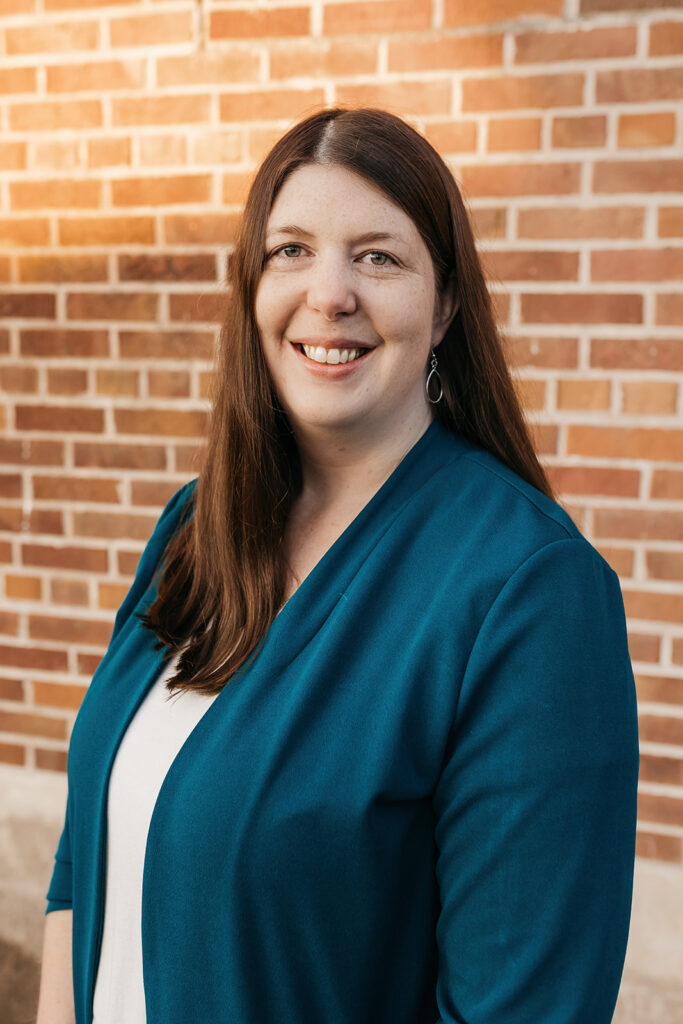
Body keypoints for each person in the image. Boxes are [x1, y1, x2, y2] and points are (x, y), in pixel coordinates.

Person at [37, 107, 639, 1024]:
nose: (329, 293)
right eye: (290, 251)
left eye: (377, 256)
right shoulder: (198, 525)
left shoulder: (528, 594)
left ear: (443, 307)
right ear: (252, 288)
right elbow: (87, 853)